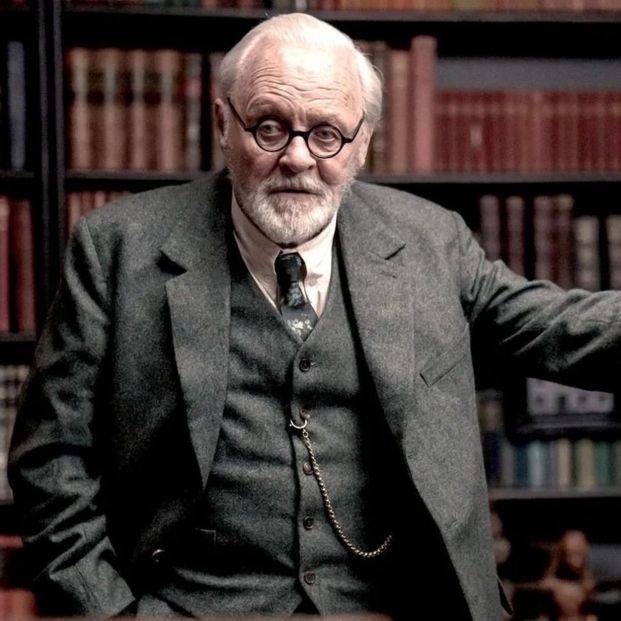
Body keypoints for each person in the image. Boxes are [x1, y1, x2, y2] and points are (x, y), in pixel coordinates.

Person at [7, 12, 621, 621]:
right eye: (270, 127)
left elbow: (558, 327)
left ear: (362, 144)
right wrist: (114, 615)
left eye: (326, 134)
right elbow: (48, 463)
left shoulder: (430, 242)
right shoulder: (117, 249)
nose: (298, 158)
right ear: (223, 124)